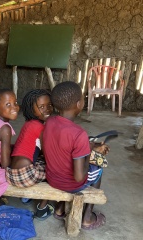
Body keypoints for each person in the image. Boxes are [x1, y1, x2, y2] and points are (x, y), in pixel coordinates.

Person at [43, 81, 109, 230]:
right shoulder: (78, 134)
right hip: (71, 184)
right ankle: (87, 218)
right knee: (99, 168)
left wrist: (88, 145)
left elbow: (62, 144)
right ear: (79, 104)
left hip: (52, 178)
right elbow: (79, 177)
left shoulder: (50, 121)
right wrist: (89, 153)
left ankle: (59, 210)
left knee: (62, 160)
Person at [7, 89, 54, 220]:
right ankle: (42, 208)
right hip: (24, 175)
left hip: (11, 172)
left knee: (38, 161)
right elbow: (47, 152)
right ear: (31, 110)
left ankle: (26, 197)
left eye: (49, 105)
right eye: (41, 107)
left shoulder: (29, 124)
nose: (47, 109)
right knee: (56, 171)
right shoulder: (41, 127)